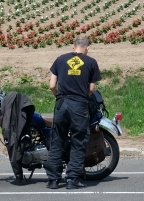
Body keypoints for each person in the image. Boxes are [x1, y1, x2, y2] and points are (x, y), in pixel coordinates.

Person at [45, 35, 101, 190]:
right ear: (87, 48)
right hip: (79, 105)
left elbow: (52, 85)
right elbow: (91, 89)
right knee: (78, 140)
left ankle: (53, 179)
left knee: (57, 140)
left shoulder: (60, 59)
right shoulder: (91, 62)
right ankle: (72, 179)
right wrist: (81, 98)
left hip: (61, 103)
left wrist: (59, 97)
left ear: (73, 46)